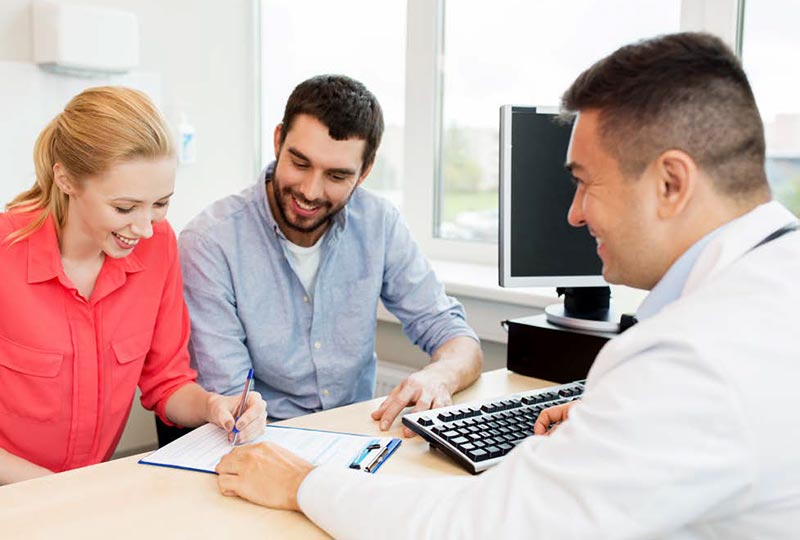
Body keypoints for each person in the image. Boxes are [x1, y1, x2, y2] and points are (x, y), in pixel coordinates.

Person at [214, 33, 800, 538]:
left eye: (585, 183)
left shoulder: (692, 358)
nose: (573, 214)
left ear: (671, 182)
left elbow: (481, 528)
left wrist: (306, 485)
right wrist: (608, 428)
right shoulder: (769, 288)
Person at [179, 75, 482, 435]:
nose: (310, 191)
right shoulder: (210, 242)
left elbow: (454, 334)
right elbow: (232, 403)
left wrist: (440, 376)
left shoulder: (378, 224)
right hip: (259, 443)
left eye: (337, 175)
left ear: (365, 172)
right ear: (278, 141)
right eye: (300, 164)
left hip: (357, 442)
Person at [0, 87, 267, 486]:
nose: (144, 228)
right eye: (124, 208)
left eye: (160, 204)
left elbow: (167, 383)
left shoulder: (158, 248)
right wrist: (56, 493)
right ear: (66, 179)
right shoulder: (6, 253)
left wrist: (214, 405)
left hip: (86, 496)